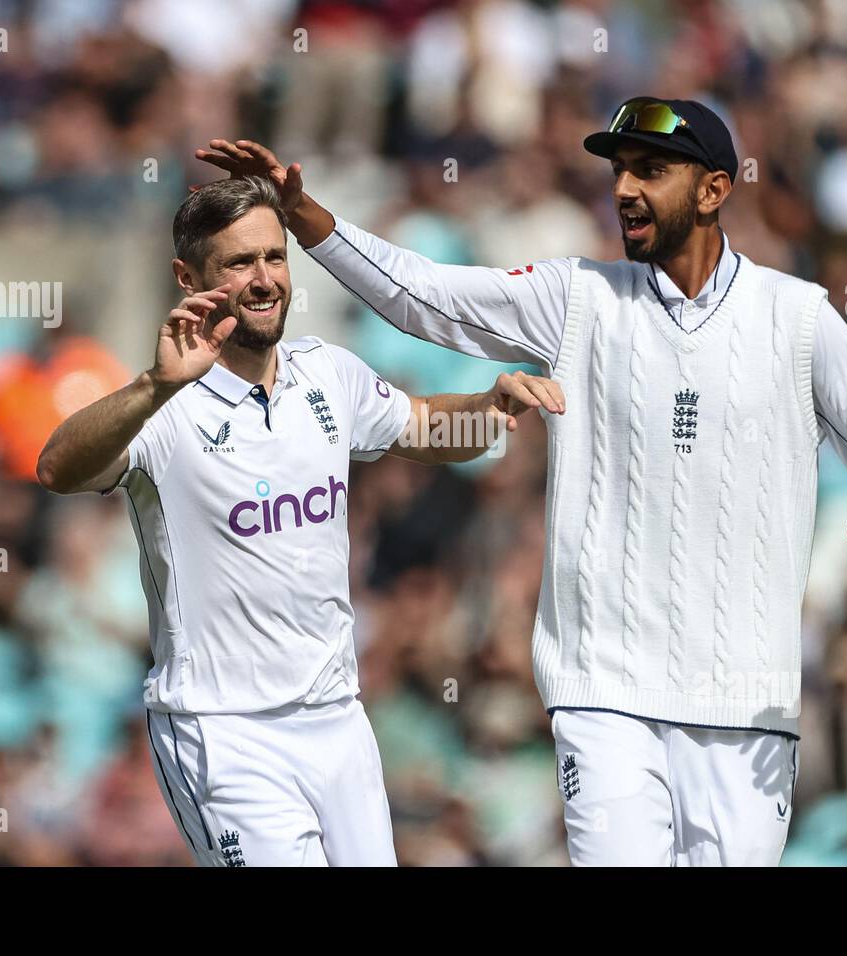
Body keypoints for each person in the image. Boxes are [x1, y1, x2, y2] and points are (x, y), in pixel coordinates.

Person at [197, 96, 847, 866]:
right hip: (604, 692)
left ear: (715, 190)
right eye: (620, 171)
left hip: (748, 703)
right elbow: (424, 297)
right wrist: (307, 216)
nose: (624, 189)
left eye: (652, 170)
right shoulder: (577, 298)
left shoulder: (799, 317)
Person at [36, 175, 563, 866]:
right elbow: (56, 468)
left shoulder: (327, 375)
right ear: (186, 276)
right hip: (224, 732)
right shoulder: (165, 408)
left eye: (274, 257)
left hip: (338, 720)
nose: (263, 280)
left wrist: (491, 405)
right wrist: (152, 385)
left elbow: (425, 428)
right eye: (237, 263)